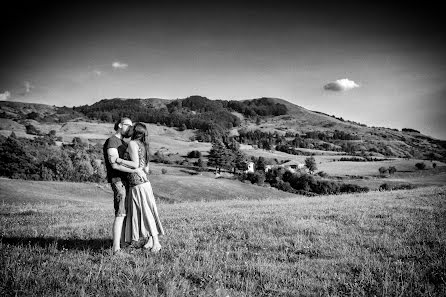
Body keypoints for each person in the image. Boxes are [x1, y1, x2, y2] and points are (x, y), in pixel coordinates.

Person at [116, 122, 165, 253]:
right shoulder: (143, 145)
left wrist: (119, 160)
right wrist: (139, 169)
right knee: (147, 212)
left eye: (131, 128)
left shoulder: (132, 143)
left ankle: (156, 243)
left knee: (146, 213)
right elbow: (146, 168)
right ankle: (150, 241)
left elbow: (135, 164)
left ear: (135, 132)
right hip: (144, 183)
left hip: (137, 184)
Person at [103, 117, 147, 255]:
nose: (131, 128)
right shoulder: (112, 141)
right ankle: (116, 249)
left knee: (126, 213)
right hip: (118, 180)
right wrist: (135, 170)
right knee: (120, 213)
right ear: (120, 125)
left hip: (126, 181)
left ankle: (124, 243)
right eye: (128, 125)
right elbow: (114, 164)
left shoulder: (123, 142)